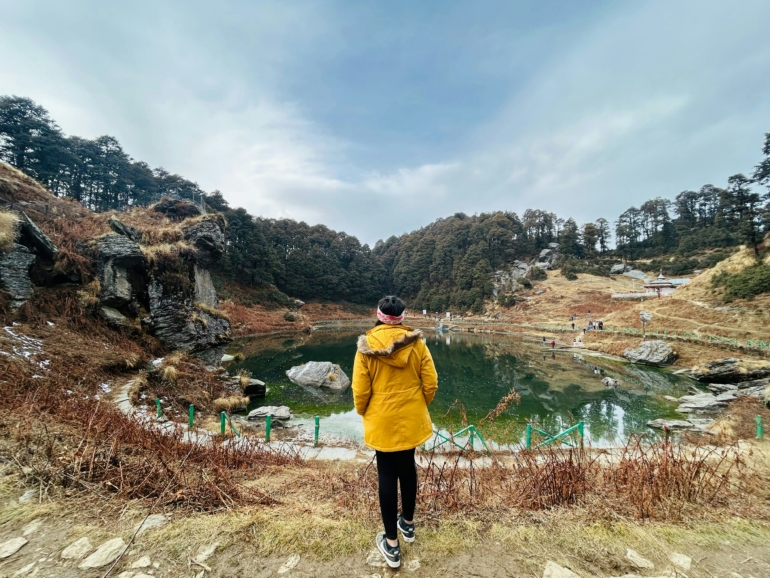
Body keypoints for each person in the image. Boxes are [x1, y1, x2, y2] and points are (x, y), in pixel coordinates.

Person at [352, 296, 438, 569]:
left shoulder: (365, 347)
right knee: (408, 469)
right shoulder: (417, 343)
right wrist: (418, 405)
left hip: (382, 420)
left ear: (377, 315)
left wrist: (365, 411)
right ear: (402, 317)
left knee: (387, 475)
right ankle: (408, 526)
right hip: (410, 418)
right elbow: (431, 382)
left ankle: (391, 544)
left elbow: (360, 391)